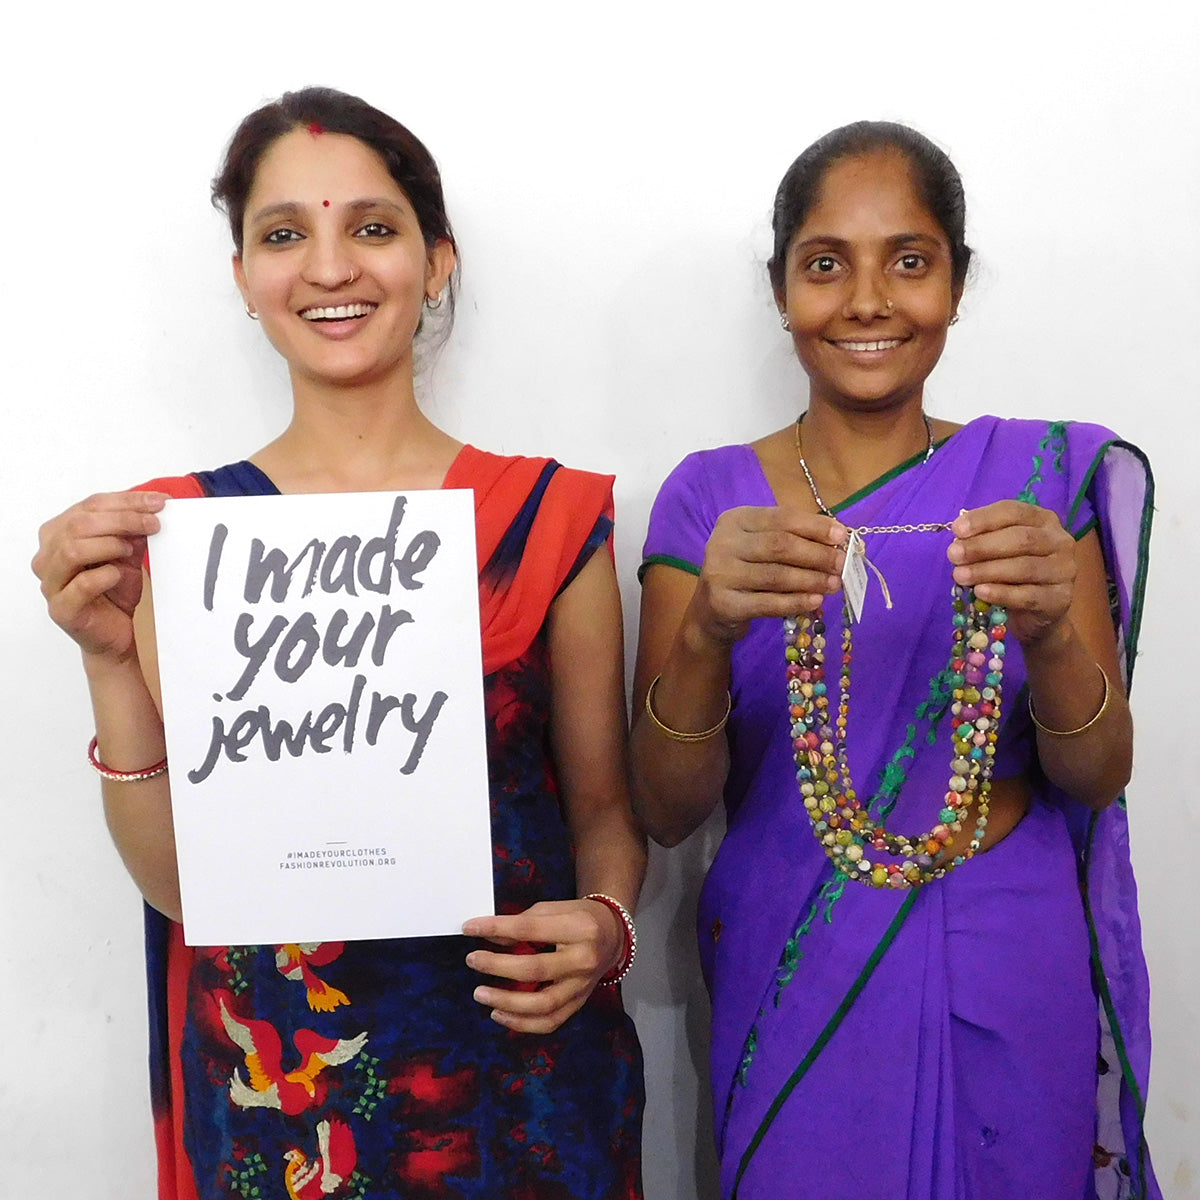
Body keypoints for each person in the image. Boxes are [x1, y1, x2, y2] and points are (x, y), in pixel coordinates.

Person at [33, 88, 644, 1200]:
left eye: (372, 227)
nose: (329, 269)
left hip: (517, 1085)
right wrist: (108, 658)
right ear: (243, 280)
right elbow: (184, 891)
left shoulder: (548, 520)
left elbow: (603, 812)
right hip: (284, 1100)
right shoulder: (178, 538)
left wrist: (604, 928)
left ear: (436, 260)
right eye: (283, 235)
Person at [631, 122, 1157, 1199]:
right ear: (781, 290)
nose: (867, 299)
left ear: (956, 285)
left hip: (1005, 948)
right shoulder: (709, 498)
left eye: (909, 260)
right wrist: (703, 636)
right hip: (791, 953)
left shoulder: (1039, 484)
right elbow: (666, 808)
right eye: (826, 263)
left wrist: (1054, 627)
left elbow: (1099, 773)